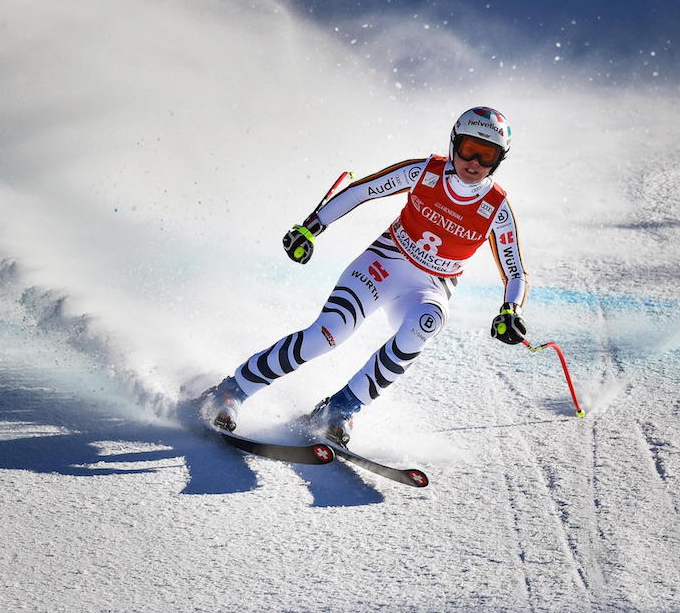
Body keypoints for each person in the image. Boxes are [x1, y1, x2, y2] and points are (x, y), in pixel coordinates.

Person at [200, 106, 529, 445]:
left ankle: (338, 411)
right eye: (468, 149)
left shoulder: (497, 207)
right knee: (327, 334)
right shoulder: (424, 171)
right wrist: (311, 228)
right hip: (385, 263)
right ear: (453, 144)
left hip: (430, 287)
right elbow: (362, 190)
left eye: (486, 155)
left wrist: (511, 310)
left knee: (427, 324)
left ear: (498, 160)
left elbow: (515, 270)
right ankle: (230, 392)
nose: (474, 162)